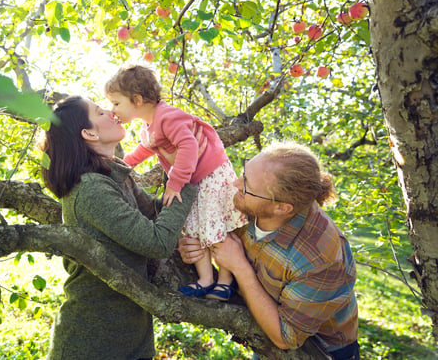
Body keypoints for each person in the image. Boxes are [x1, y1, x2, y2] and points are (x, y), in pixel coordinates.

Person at [39, 95, 197, 360]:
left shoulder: (113, 177)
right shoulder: (91, 189)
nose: (112, 113)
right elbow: (157, 242)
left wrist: (181, 170)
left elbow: (157, 212)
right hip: (91, 346)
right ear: (89, 133)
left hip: (133, 339)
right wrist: (189, 179)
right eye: (100, 112)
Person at [179, 141, 360, 360]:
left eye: (247, 185)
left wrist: (240, 267)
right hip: (263, 321)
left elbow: (285, 337)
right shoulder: (248, 201)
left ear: (281, 208)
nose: (235, 184)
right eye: (243, 174)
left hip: (322, 349)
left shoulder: (321, 257)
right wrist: (195, 247)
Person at [105, 64, 248, 301]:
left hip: (211, 174)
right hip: (193, 180)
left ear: (137, 100)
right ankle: (205, 280)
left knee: (217, 224)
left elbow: (189, 145)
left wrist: (175, 182)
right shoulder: (149, 125)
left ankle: (225, 282)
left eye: (116, 103)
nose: (113, 110)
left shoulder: (168, 116)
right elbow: (145, 149)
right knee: (191, 224)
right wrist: (123, 164)